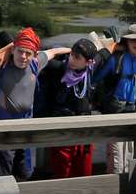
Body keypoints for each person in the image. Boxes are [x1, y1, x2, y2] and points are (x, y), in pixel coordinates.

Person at [0, 28, 71, 180]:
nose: (23, 57)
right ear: (13, 50)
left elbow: (54, 52)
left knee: (24, 172)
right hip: (3, 129)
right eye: (20, 51)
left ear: (35, 55)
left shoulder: (36, 64)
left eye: (28, 53)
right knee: (0, 174)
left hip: (25, 128)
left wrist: (73, 49)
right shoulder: (0, 65)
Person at [91, 24, 136, 174]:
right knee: (116, 157)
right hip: (117, 114)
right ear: (126, 42)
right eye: (133, 40)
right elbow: (95, 77)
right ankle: (114, 193)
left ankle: (133, 192)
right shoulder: (116, 59)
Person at [37, 37, 97, 179]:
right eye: (71, 54)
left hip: (84, 129)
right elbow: (35, 58)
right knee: (61, 169)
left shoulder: (91, 70)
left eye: (77, 57)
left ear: (88, 62)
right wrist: (60, 50)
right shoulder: (58, 68)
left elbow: (107, 49)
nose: (72, 59)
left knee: (83, 169)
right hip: (62, 128)